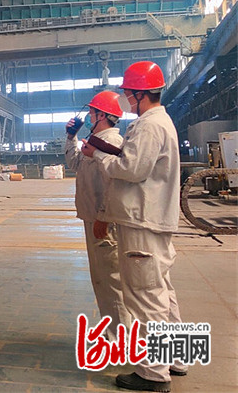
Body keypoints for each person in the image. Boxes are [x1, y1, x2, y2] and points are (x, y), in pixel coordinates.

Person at [82, 61, 186, 392]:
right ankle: (176, 357)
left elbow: (131, 170)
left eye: (128, 93)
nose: (126, 98)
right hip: (151, 220)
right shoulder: (159, 122)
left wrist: (99, 156)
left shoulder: (148, 125)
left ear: (141, 94)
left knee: (145, 297)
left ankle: (153, 374)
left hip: (141, 222)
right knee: (162, 292)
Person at [65, 91, 131, 342]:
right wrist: (71, 137)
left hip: (105, 222)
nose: (89, 116)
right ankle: (115, 333)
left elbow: (115, 185)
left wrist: (104, 217)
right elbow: (75, 164)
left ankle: (119, 339)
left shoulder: (111, 143)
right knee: (102, 279)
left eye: (92, 112)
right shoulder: (95, 142)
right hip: (94, 218)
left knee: (111, 280)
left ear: (102, 115)